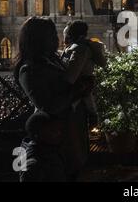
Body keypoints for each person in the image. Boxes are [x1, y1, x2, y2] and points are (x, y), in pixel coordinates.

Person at [14, 17, 91, 182]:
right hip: (53, 136)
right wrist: (76, 92)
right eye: (51, 35)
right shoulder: (28, 70)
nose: (57, 38)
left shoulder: (55, 59)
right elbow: (48, 105)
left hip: (71, 130)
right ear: (38, 39)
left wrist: (84, 85)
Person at [60, 20, 107, 180]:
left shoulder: (79, 50)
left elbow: (70, 77)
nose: (63, 36)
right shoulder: (81, 48)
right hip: (79, 97)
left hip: (75, 99)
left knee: (75, 139)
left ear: (70, 34)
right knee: (78, 138)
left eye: (65, 33)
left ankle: (76, 170)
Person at [19, 110, 66, 182]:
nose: (59, 133)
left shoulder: (50, 150)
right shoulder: (33, 165)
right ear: (37, 134)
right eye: (53, 130)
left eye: (59, 130)